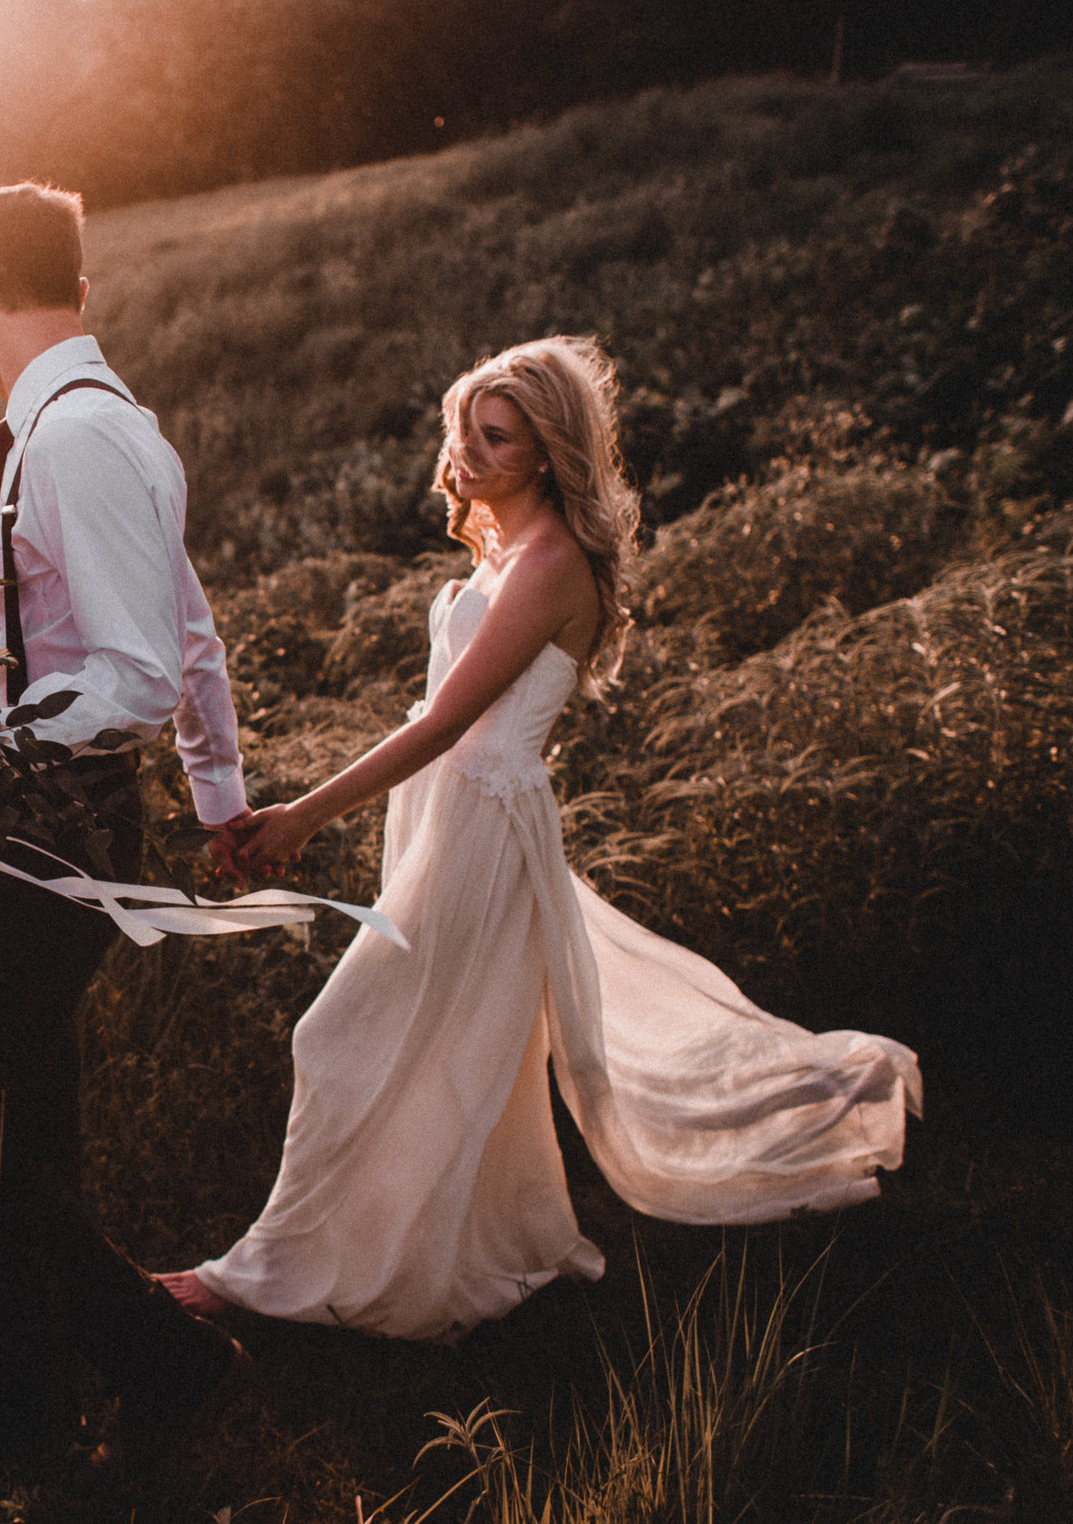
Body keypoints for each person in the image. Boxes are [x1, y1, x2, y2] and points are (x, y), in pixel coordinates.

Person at [164, 337, 921, 1340]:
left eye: (495, 438)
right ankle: (476, 1237)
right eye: (464, 432)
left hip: (478, 821)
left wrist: (303, 813)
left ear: (547, 449)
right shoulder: (508, 548)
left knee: (337, 1037)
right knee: (452, 1043)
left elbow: (443, 722)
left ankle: (260, 1272)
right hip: (454, 809)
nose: (467, 456)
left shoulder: (554, 560)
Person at [0, 182, 255, 1480]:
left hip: (54, 824)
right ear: (82, 290)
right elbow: (197, 633)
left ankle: (163, 1354)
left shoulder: (81, 441)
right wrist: (222, 802)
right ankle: (10, 1431)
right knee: (22, 1147)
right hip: (44, 820)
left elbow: (144, 668)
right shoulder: (88, 428)